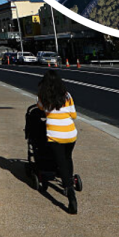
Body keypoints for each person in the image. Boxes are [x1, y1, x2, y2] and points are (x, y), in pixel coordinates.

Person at [37, 70, 78, 214]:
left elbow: (41, 108)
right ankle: (70, 180)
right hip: (71, 133)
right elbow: (74, 115)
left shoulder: (43, 96)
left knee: (60, 161)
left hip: (55, 134)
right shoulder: (67, 95)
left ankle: (70, 194)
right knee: (68, 158)